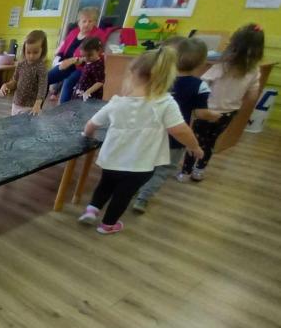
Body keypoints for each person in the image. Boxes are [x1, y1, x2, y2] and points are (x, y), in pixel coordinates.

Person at [78, 47, 204, 234]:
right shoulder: (165, 103)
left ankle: (92, 210)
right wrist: (194, 147)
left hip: (112, 158)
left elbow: (91, 124)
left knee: (105, 184)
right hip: (141, 165)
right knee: (123, 194)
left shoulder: (117, 102)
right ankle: (107, 225)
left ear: (131, 75)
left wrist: (87, 136)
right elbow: (180, 129)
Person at [133, 38, 215, 212]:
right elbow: (201, 114)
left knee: (144, 164)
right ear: (201, 63)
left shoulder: (159, 78)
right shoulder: (200, 85)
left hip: (149, 132)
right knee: (163, 169)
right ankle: (142, 198)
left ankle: (132, 190)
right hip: (175, 137)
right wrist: (214, 115)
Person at [179, 23, 265, 182]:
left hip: (207, 111)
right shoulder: (254, 70)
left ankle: (185, 172)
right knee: (210, 142)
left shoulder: (223, 66)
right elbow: (253, 95)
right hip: (228, 113)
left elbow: (203, 82)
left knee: (195, 142)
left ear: (234, 45)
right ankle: (199, 171)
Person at [48, 7, 107, 104]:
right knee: (47, 78)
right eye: (84, 21)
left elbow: (95, 55)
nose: (87, 24)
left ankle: (64, 109)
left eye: (90, 21)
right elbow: (63, 47)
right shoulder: (73, 32)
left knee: (68, 81)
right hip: (67, 64)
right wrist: (58, 58)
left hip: (84, 67)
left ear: (95, 22)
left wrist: (76, 60)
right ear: (79, 22)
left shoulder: (98, 34)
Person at [0, 29, 49, 115]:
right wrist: (6, 86)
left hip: (31, 107)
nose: (31, 56)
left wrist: (37, 104)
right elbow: (14, 81)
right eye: (28, 52)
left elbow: (42, 88)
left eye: (35, 52)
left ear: (42, 50)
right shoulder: (21, 64)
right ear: (24, 50)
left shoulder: (41, 67)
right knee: (15, 123)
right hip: (16, 103)